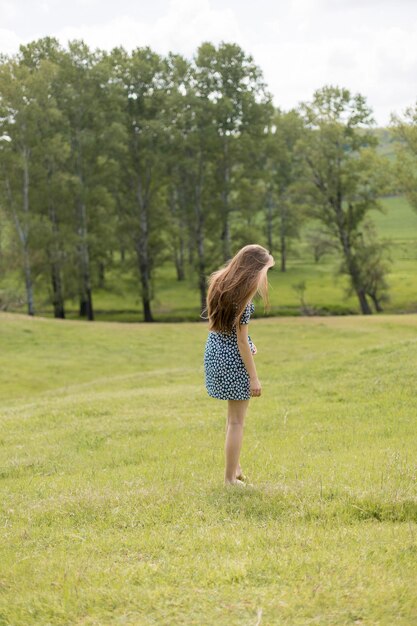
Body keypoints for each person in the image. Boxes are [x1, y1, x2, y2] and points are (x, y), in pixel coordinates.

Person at [203, 244, 275, 486]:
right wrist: (254, 378)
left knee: (231, 419)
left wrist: (247, 343)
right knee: (236, 422)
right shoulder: (243, 298)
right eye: (265, 271)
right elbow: (241, 341)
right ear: (254, 270)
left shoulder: (217, 282)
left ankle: (235, 468)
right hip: (233, 360)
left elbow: (221, 326)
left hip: (214, 354)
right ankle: (229, 480)